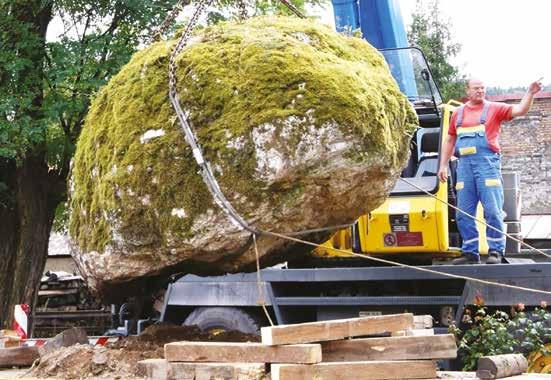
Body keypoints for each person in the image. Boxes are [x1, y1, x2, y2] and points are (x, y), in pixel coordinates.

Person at [438, 77, 543, 265]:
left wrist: (530, 93)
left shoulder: (494, 108)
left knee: (493, 211)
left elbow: (520, 110)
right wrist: (443, 165)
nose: (480, 91)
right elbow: (450, 140)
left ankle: (496, 251)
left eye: (483, 88)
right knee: (463, 213)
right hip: (464, 168)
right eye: (476, 88)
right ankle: (470, 252)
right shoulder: (458, 114)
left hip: (487, 166)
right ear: (467, 90)